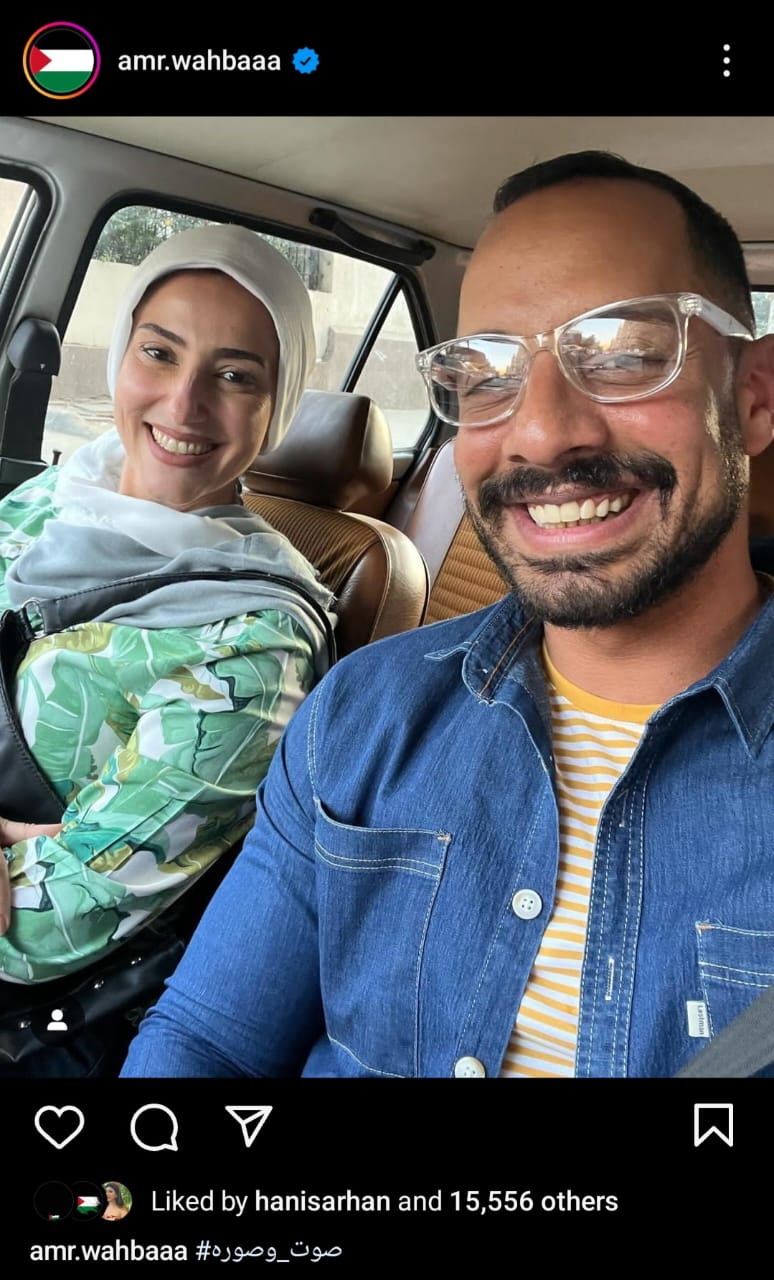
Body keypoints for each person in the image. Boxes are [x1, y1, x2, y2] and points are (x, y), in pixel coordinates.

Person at [121, 151, 774, 1080]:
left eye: (623, 354)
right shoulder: (360, 714)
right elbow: (207, 1042)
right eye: (485, 374)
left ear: (753, 398)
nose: (540, 431)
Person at [0, 224, 335, 1072]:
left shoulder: (256, 645)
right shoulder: (53, 497)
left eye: (235, 376)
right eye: (159, 353)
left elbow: (58, 918)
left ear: (278, 405)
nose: (184, 405)